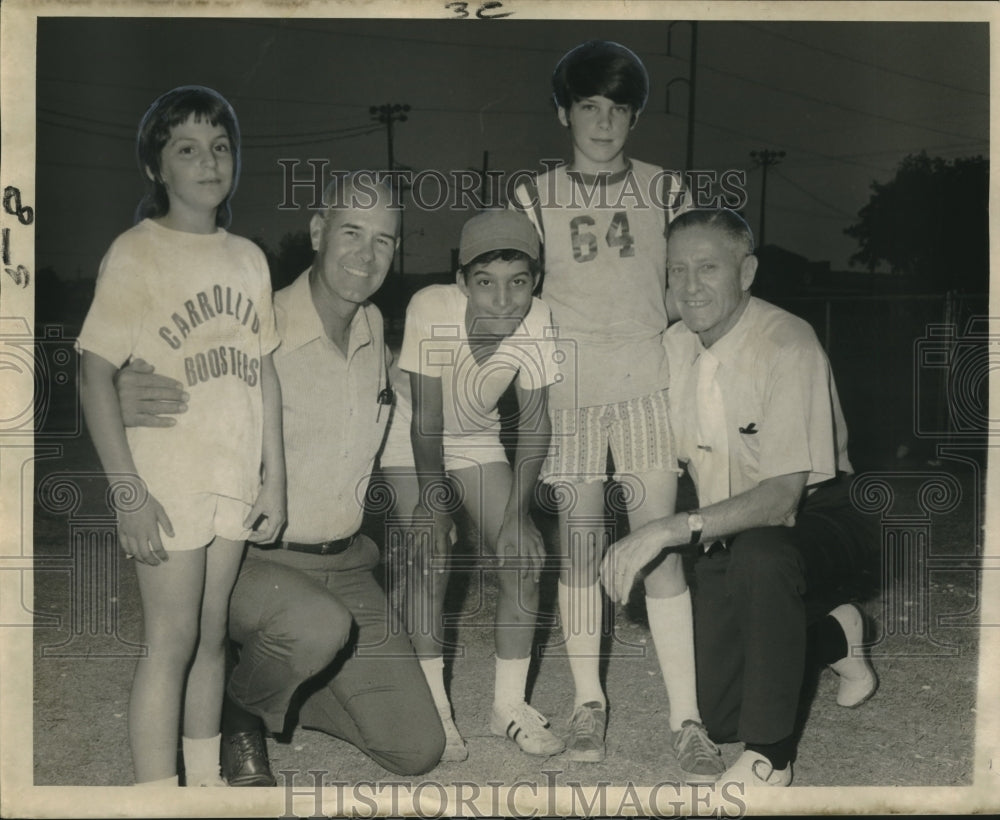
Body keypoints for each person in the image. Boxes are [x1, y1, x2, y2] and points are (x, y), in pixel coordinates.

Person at [115, 173, 445, 786]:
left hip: (345, 566)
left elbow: (418, 407)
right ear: (318, 233)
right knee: (313, 626)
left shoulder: (376, 331)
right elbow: (152, 366)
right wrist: (123, 391)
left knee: (416, 748)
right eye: (351, 232)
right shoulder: (256, 320)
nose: (366, 255)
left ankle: (282, 684)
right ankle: (237, 714)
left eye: (384, 241)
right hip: (253, 566)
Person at [600, 208, 878, 788]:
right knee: (719, 713)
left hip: (819, 516)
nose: (690, 285)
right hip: (726, 524)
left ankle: (771, 758)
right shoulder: (672, 348)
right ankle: (835, 633)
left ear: (746, 272)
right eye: (677, 270)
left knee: (765, 557)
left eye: (708, 267)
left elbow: (781, 502)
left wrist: (665, 530)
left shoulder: (787, 342)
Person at [511, 40, 719, 774]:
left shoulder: (667, 190)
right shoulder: (532, 197)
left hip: (644, 385)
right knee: (580, 548)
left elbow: (697, 281)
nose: (603, 122)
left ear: (635, 115)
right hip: (568, 394)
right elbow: (509, 295)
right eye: (589, 106)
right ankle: (588, 703)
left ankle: (686, 717)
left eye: (619, 108)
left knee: (658, 545)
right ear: (564, 111)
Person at [77, 86, 286, 787]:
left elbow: (265, 375)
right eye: (187, 149)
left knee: (210, 636)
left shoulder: (248, 258)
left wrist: (274, 478)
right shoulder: (137, 253)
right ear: (155, 168)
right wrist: (127, 492)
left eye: (221, 148)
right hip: (165, 480)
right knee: (169, 641)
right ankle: (153, 797)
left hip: (232, 476)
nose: (208, 162)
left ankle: (204, 785)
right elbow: (92, 375)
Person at [380, 210, 563, 761]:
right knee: (429, 556)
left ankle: (506, 705)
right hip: (409, 432)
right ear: (462, 282)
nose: (504, 301)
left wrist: (518, 516)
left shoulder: (538, 318)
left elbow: (535, 421)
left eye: (519, 283)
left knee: (523, 556)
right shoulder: (430, 308)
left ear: (536, 282)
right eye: (486, 283)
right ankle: (435, 709)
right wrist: (434, 510)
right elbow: (426, 422)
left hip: (479, 437)